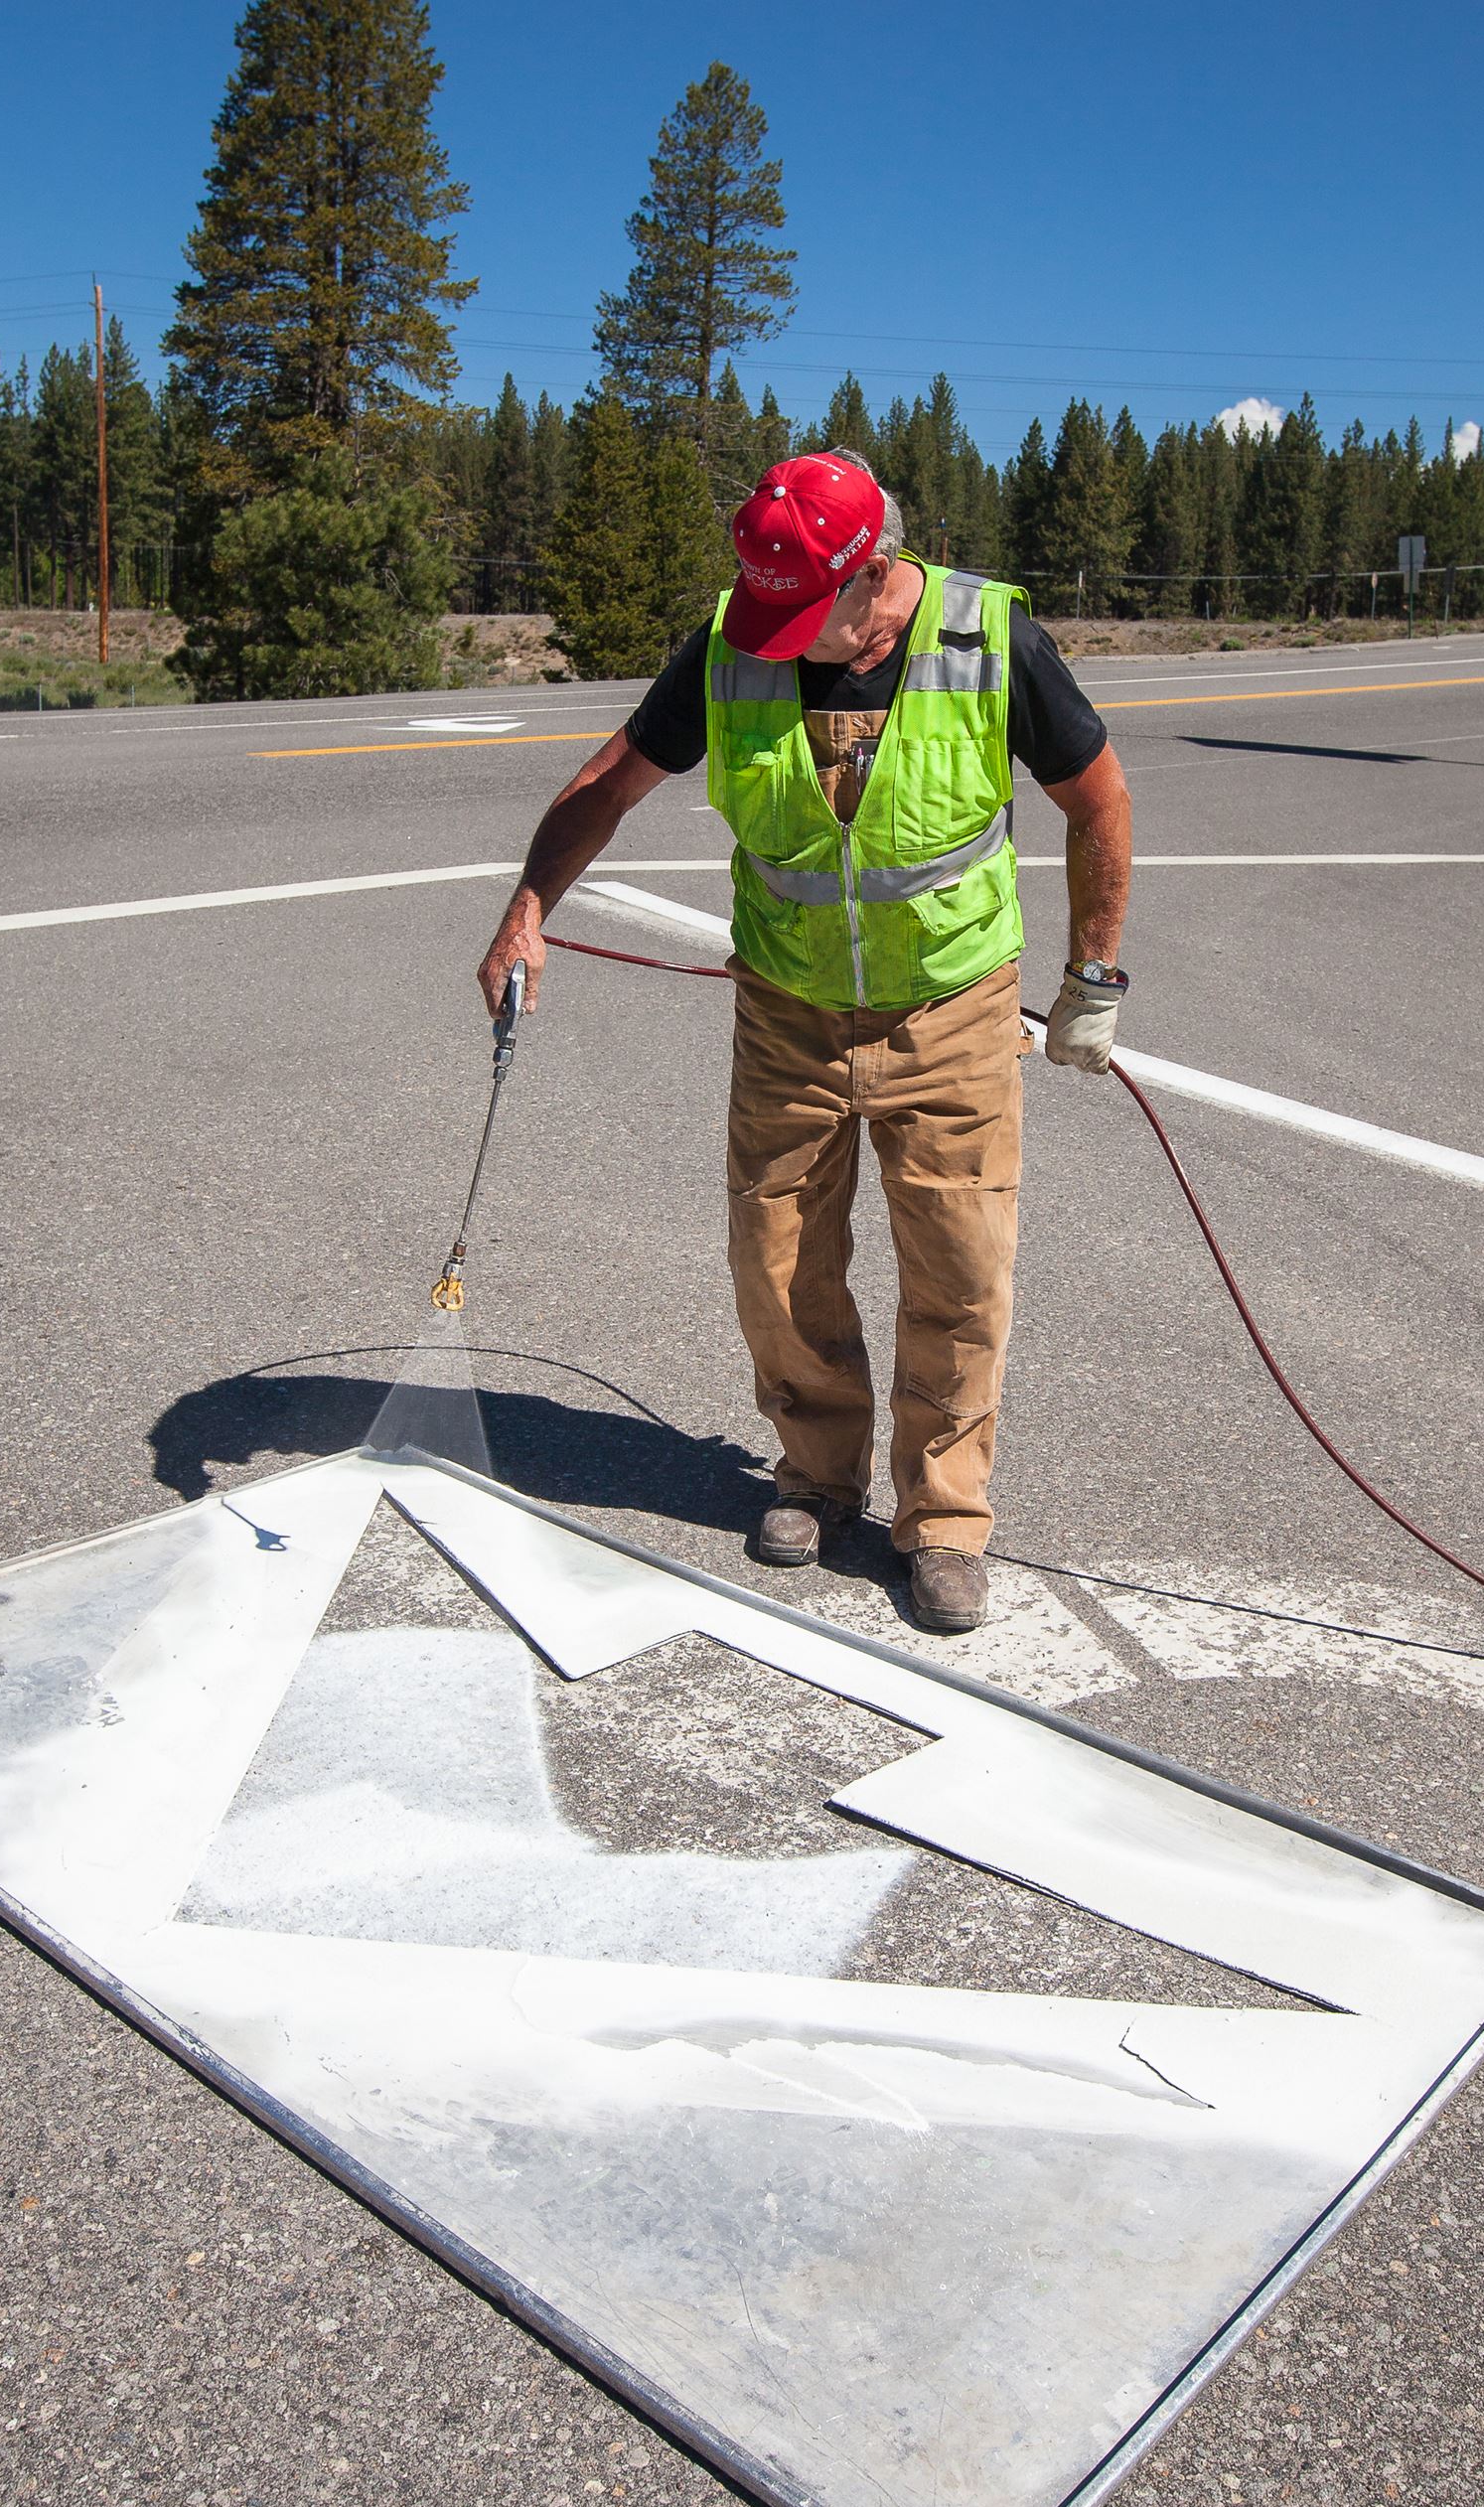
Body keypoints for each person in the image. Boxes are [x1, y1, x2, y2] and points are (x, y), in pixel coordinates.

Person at [478, 449, 1132, 1633]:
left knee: (960, 1273)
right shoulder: (736, 637)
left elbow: (1097, 798)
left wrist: (1091, 974)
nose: (770, 633)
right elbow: (612, 780)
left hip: (950, 1013)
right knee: (775, 1266)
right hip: (786, 1010)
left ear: (873, 570)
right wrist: (528, 910)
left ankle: (940, 1518)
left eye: (800, 610)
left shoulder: (987, 639)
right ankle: (817, 1475)